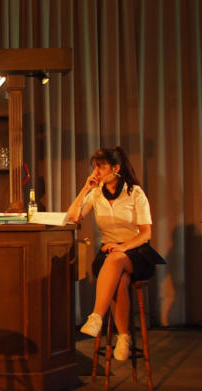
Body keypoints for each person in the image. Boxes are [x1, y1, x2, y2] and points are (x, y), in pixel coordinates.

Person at [66, 147, 164, 361]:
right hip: (109, 252)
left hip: (136, 252)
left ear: (116, 168)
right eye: (94, 167)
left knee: (116, 258)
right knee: (120, 280)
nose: (96, 172)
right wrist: (85, 188)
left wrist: (124, 246)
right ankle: (124, 337)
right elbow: (72, 217)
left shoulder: (135, 193)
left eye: (101, 167)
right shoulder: (96, 193)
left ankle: (96, 317)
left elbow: (146, 233)